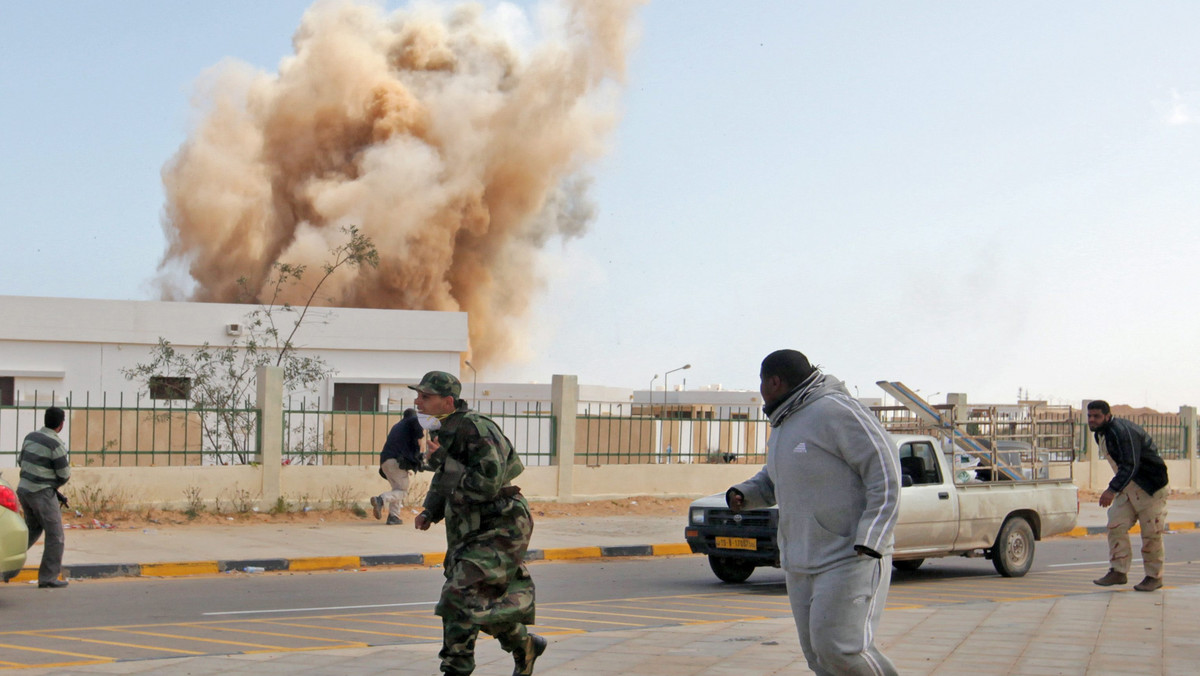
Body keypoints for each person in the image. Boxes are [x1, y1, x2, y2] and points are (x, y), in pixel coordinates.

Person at [728, 350, 899, 676]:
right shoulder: (785, 421)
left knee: (842, 650)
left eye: (761, 382)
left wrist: (874, 535)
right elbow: (775, 478)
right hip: (801, 559)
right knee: (819, 658)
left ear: (774, 381)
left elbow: (885, 469)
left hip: (849, 556)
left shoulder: (835, 409)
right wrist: (745, 495)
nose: (761, 390)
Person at [410, 371, 545, 676]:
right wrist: (430, 511)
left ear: (447, 401)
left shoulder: (476, 427)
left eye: (425, 397)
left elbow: (487, 482)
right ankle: (524, 645)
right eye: (418, 395)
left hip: (501, 523)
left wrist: (446, 471)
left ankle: (456, 669)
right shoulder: (445, 429)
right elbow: (446, 476)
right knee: (475, 599)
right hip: (468, 525)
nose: (418, 402)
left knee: (459, 594)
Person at [1087, 400, 1170, 591]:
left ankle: (1154, 576)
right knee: (1115, 524)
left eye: (1096, 416)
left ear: (1107, 416)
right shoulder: (1102, 433)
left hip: (1150, 488)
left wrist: (1111, 489)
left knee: (1151, 533)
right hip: (1129, 486)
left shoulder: (1121, 431)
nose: (1092, 420)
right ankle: (1118, 571)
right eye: (1089, 416)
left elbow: (1130, 464)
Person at [17, 406, 71, 589]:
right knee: (56, 535)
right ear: (61, 424)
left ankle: (7, 562)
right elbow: (64, 474)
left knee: (31, 530)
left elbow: (21, 460)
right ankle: (48, 578)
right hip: (42, 493)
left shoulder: (30, 437)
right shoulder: (56, 444)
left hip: (23, 490)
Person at [370, 408, 424, 525]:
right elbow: (417, 431)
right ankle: (381, 499)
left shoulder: (398, 426)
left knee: (397, 489)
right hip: (396, 462)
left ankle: (393, 516)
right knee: (403, 491)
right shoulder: (412, 421)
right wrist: (419, 452)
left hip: (385, 462)